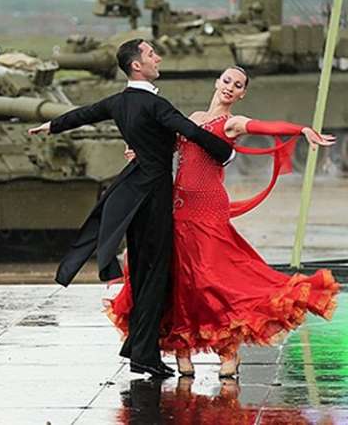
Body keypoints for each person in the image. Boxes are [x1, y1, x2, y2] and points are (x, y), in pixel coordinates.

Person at [104, 66, 339, 378]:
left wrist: (301, 130)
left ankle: (228, 351)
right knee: (178, 279)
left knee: (210, 279)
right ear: (217, 82)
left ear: (242, 94)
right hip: (178, 207)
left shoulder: (232, 123)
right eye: (227, 80)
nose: (230, 87)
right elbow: (166, 147)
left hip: (208, 208)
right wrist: (137, 150)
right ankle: (182, 350)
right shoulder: (193, 118)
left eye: (238, 85)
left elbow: (264, 127)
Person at [28, 39, 235, 377]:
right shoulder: (156, 105)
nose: (158, 58)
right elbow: (191, 131)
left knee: (141, 273)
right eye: (152, 54)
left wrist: (52, 125)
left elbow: (84, 114)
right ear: (137, 65)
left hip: (133, 189)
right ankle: (144, 355)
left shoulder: (119, 102)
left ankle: (140, 350)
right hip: (154, 195)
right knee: (155, 275)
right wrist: (226, 152)